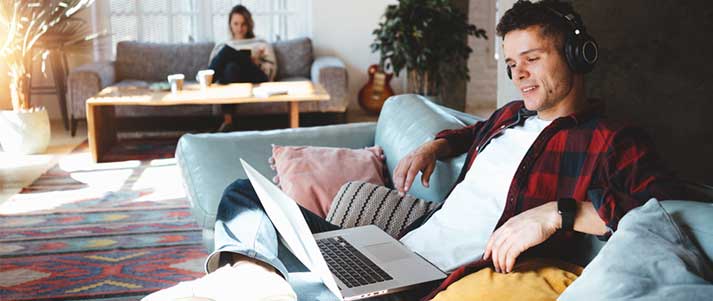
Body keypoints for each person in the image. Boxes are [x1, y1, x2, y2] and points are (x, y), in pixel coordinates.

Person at [144, 1, 686, 300]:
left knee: (275, 247)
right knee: (242, 193)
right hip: (392, 248)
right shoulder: (507, 119)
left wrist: (556, 213)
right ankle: (281, 275)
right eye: (509, 63)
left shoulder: (611, 139)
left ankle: (275, 278)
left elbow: (661, 206)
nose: (518, 73)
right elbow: (470, 134)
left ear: (576, 54)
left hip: (431, 280)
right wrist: (433, 143)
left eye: (533, 57)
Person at [208, 5, 277, 84]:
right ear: (230, 24)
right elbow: (215, 67)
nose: (239, 28)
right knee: (231, 67)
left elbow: (271, 72)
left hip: (256, 78)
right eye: (236, 24)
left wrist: (257, 63)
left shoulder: (261, 44)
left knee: (227, 51)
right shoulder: (221, 45)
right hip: (228, 80)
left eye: (243, 24)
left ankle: (206, 81)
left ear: (249, 25)